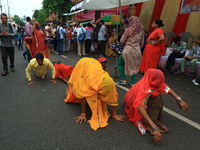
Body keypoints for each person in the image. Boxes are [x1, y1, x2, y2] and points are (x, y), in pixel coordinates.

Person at [124, 69, 189, 144]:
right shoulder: (144, 89)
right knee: (156, 98)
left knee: (158, 95)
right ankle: (147, 122)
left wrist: (179, 99)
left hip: (139, 97)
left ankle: (152, 118)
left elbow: (164, 86)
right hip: (131, 102)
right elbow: (139, 106)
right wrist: (154, 126)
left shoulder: (150, 78)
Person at [64, 58, 126, 130]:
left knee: (96, 95)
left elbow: (113, 98)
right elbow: (84, 96)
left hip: (93, 68)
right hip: (83, 64)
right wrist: (82, 114)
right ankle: (70, 91)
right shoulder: (91, 82)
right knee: (81, 86)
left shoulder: (110, 84)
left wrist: (115, 115)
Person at [117, 16, 144, 86]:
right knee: (134, 66)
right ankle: (133, 82)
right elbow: (142, 43)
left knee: (120, 63)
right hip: (137, 51)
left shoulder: (128, 30)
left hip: (128, 50)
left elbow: (122, 41)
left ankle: (123, 79)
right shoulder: (141, 31)